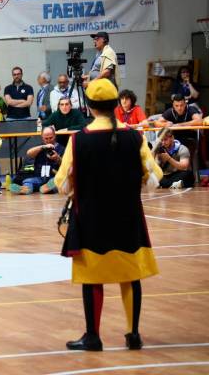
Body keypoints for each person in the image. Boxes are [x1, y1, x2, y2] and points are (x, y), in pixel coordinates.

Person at [54, 78, 162, 352]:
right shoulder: (134, 136)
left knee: (93, 279)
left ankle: (93, 336)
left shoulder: (79, 140)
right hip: (127, 218)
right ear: (115, 105)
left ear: (89, 107)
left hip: (91, 219)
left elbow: (62, 184)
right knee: (130, 276)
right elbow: (155, 179)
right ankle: (133, 333)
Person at [9, 126, 63, 195]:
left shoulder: (61, 148)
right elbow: (29, 153)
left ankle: (48, 188)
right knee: (28, 181)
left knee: (56, 181)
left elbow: (65, 165)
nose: (49, 140)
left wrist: (57, 158)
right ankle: (26, 189)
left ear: (55, 136)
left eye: (51, 138)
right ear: (42, 138)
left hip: (52, 176)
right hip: (39, 177)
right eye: (46, 138)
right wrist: (43, 147)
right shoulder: (39, 148)